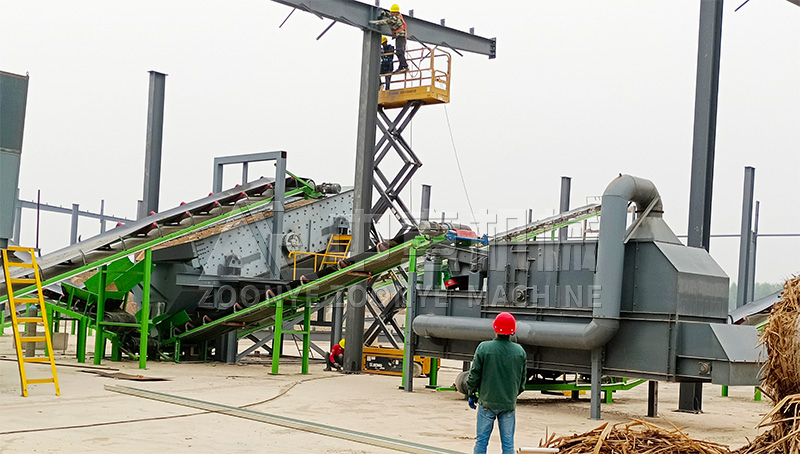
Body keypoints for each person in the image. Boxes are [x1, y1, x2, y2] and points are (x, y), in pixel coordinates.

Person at [466, 312, 527, 454]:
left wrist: (471, 393)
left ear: (495, 328)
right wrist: (510, 396)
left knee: (481, 441)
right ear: (513, 331)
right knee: (508, 444)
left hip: (487, 402)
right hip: (508, 404)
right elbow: (522, 382)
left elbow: (474, 375)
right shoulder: (520, 352)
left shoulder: (484, 347)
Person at [369, 4, 408, 72]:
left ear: (395, 12)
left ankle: (404, 66)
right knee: (400, 51)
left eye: (392, 12)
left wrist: (376, 22)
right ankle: (401, 66)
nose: (391, 13)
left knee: (399, 51)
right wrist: (385, 13)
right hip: (399, 36)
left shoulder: (395, 18)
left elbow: (386, 21)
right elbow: (390, 15)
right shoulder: (397, 16)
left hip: (400, 36)